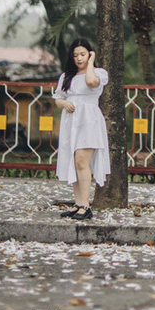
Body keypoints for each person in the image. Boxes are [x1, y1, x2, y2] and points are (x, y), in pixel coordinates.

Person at [51, 37, 110, 220]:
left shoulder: (99, 72)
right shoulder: (66, 76)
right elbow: (58, 98)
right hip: (71, 122)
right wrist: (63, 104)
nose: (79, 58)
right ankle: (78, 204)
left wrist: (92, 61)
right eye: (75, 55)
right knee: (74, 162)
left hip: (89, 120)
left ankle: (86, 206)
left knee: (81, 162)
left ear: (89, 54)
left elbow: (91, 82)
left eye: (83, 54)